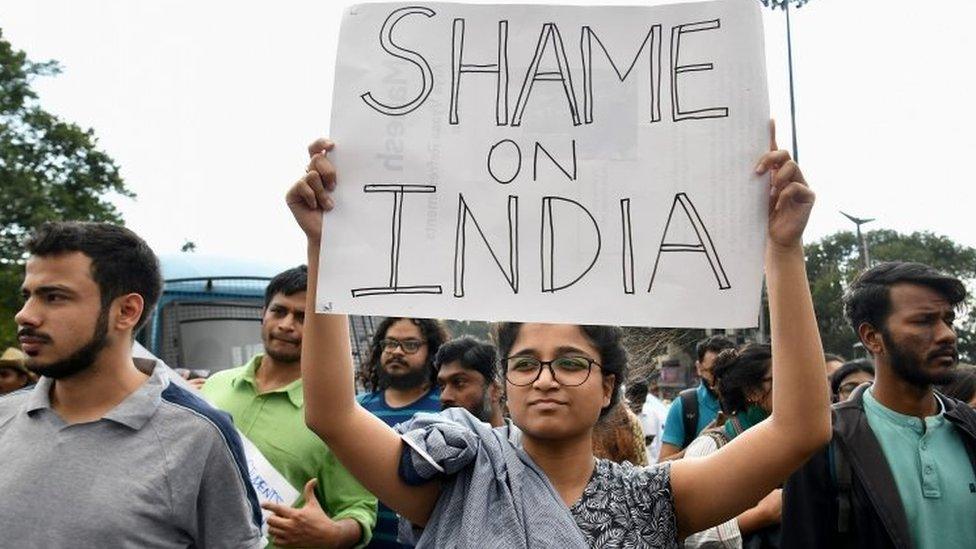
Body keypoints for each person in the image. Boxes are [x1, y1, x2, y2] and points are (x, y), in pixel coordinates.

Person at [286, 132, 830, 548]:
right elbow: (331, 414)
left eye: (570, 363)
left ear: (607, 387)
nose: (545, 378)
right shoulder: (451, 484)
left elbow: (799, 429)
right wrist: (324, 248)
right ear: (505, 387)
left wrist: (783, 250)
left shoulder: (656, 497)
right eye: (526, 364)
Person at [0, 221, 262, 547]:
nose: (25, 315)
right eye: (27, 296)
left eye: (53, 297)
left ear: (126, 311)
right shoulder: (5, 415)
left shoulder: (199, 436)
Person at [782, 261, 976, 549]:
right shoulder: (825, 440)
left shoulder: (969, 429)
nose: (947, 334)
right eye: (924, 321)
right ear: (872, 338)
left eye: (948, 320)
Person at [201, 265, 377, 548]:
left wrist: (331, 534)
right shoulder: (215, 386)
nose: (286, 324)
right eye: (279, 311)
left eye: (303, 317)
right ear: (263, 313)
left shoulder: (339, 418)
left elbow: (359, 510)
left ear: (323, 330)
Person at [356, 316, 447, 548]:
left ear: (432, 352)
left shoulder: (448, 408)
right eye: (390, 343)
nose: (397, 351)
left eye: (410, 345)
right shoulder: (355, 410)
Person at [683, 344, 781, 549]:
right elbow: (693, 534)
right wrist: (762, 514)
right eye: (782, 378)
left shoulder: (801, 441)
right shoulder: (710, 447)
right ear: (752, 391)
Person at [659, 335, 736, 460]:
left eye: (726, 371)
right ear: (699, 368)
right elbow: (662, 464)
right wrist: (700, 444)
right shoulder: (685, 405)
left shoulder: (749, 402)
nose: (719, 379)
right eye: (713, 371)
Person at [434, 336, 505, 427]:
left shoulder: (523, 440)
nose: (444, 397)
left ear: (495, 389)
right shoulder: (425, 438)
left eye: (459, 383)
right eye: (442, 386)